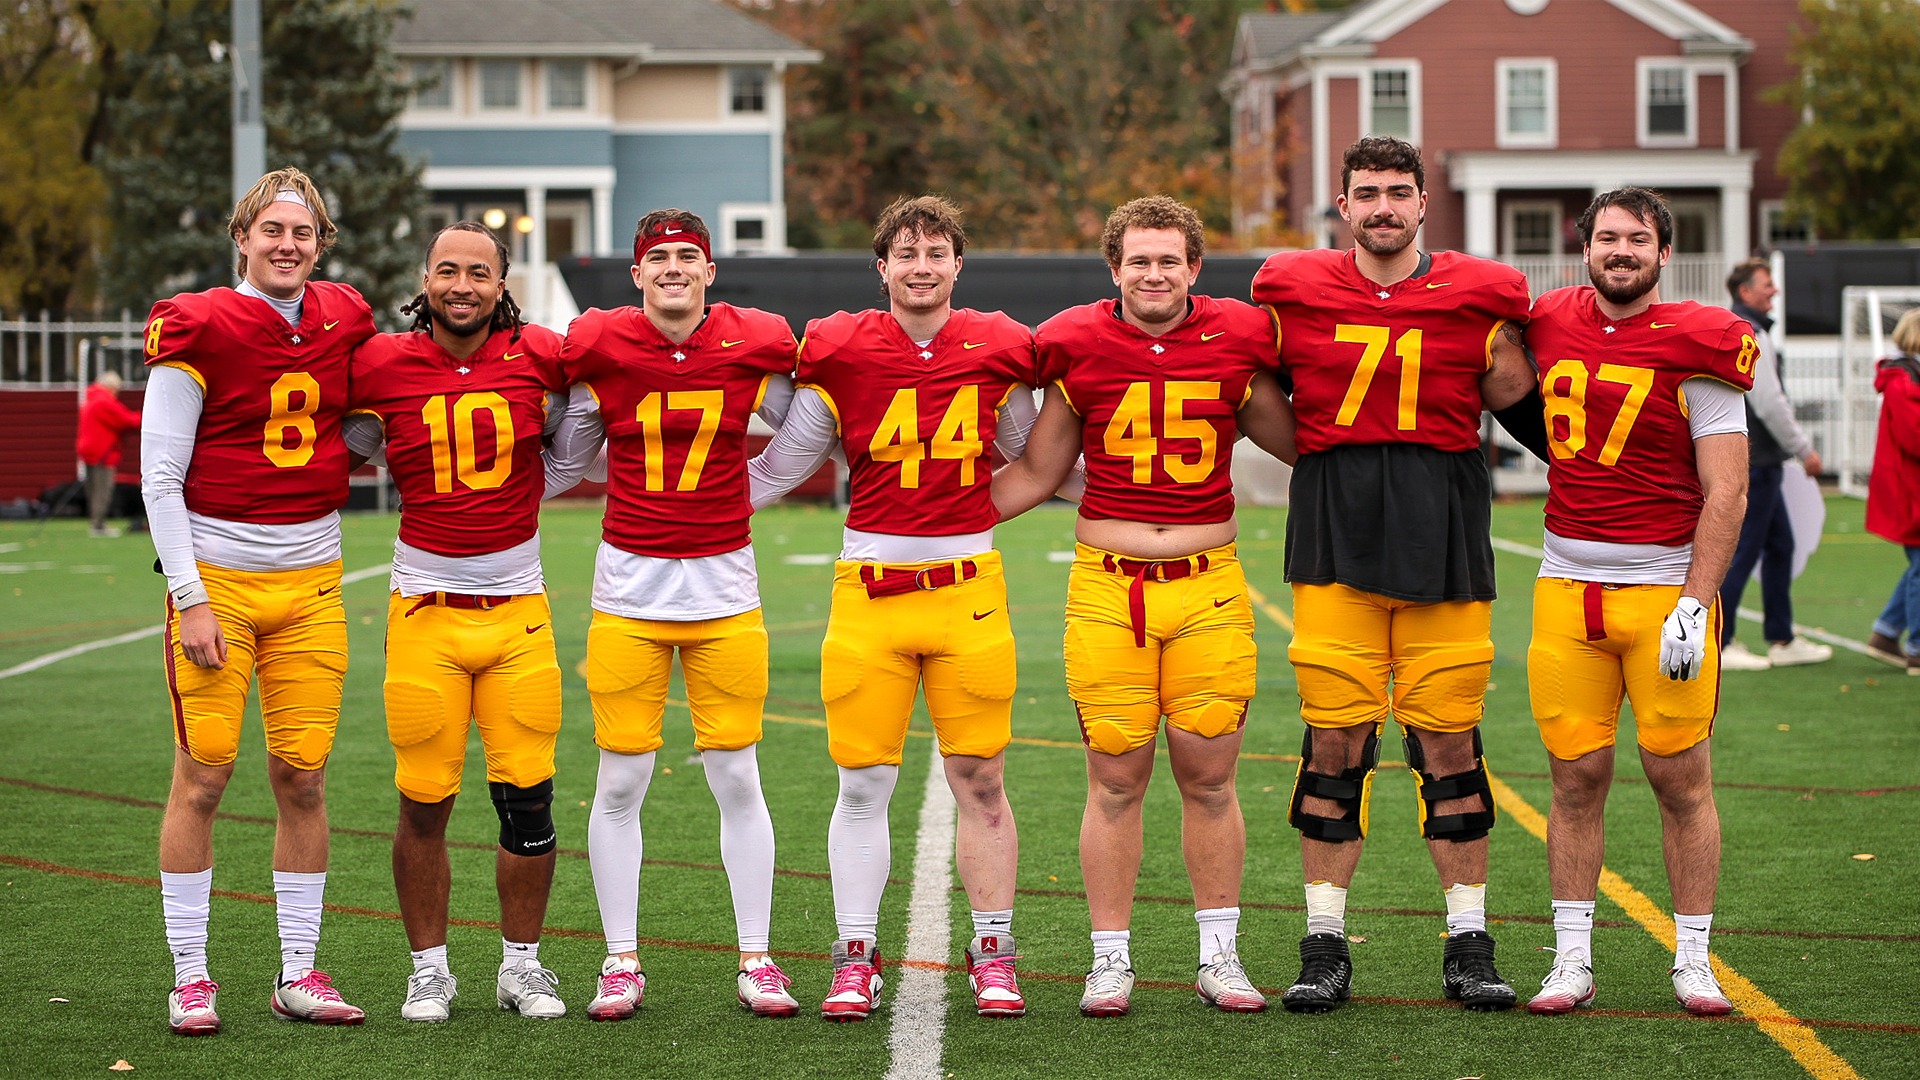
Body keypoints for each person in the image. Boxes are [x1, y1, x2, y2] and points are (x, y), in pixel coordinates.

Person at [1249, 136, 1542, 1014]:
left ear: (1424, 205)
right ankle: (1325, 944)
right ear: (1342, 205)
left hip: (1443, 532)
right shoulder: (1289, 288)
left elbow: (1534, 404)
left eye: (1399, 192)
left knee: (1450, 748)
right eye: (1367, 192)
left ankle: (1469, 944)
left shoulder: (1482, 295)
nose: (1384, 206)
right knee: (1334, 747)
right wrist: (1323, 456)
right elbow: (1245, 384)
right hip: (1336, 534)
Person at [991, 195, 1293, 1017]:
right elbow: (1035, 473)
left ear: (1196, 268)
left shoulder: (1238, 336)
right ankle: (1110, 960)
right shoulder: (1074, 341)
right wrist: (919, 518)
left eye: (1169, 259)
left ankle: (1220, 956)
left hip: (1210, 584)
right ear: (1113, 269)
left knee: (1212, 778)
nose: (1153, 273)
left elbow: (1304, 441)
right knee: (1115, 780)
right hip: (1108, 585)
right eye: (1138, 260)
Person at [747, 195, 1039, 1021]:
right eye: (905, 251)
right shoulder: (839, 349)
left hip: (967, 593)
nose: (921, 265)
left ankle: (992, 951)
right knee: (863, 783)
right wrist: (684, 516)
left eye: (936, 251)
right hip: (869, 593)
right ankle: (853, 954)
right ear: (882, 266)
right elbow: (780, 467)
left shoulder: (997, 346)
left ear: (958, 264)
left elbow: (1036, 457)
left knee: (981, 780)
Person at [546, 210, 802, 1020]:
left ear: (710, 270)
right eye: (658, 257)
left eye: (688, 255)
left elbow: (802, 434)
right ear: (635, 274)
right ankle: (621, 959)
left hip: (726, 591)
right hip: (629, 592)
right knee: (621, 780)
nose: (673, 268)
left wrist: (741, 495)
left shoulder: (754, 341)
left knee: (737, 775)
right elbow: (566, 449)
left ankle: (757, 958)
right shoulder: (599, 343)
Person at [140, 167, 377, 1035]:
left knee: (303, 778)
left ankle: (299, 971)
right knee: (204, 776)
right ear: (242, 238)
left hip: (313, 581)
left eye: (303, 233)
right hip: (222, 581)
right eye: (272, 231)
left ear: (321, 245)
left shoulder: (343, 314)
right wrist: (191, 596)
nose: (288, 245)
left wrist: (368, 444)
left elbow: (350, 419)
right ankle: (192, 974)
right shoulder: (198, 322)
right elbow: (160, 477)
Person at [1522, 188, 1755, 1017]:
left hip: (1662, 591)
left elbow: (1726, 492)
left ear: (1663, 253)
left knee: (1679, 777)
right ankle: (1571, 959)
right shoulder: (1547, 318)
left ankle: (1693, 956)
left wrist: (1697, 602)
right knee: (1575, 777)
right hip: (1565, 589)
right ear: (1584, 248)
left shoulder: (1703, 340)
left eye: (1638, 239)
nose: (1621, 250)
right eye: (1607, 237)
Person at [342, 222, 570, 1022]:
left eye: (479, 272)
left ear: (502, 283)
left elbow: (576, 422)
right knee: (423, 800)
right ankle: (428, 969)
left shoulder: (541, 354)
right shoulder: (381, 361)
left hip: (519, 613)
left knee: (530, 799)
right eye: (448, 271)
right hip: (426, 612)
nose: (463, 285)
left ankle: (522, 965)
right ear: (426, 279)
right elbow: (347, 433)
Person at [1715, 258, 1830, 670]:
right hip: (1756, 459)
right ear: (1746, 292)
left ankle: (1781, 637)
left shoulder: (1737, 326)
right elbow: (1769, 402)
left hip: (1754, 457)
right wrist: (1803, 448)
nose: (1774, 291)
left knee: (1781, 545)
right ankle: (1721, 641)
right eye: (1767, 284)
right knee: (1742, 550)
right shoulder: (1753, 332)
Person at [1865, 309, 1920, 675]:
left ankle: (1887, 631)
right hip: (1909, 489)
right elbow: (1914, 438)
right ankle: (1916, 645)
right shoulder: (1903, 380)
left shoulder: (1905, 377)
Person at [77, 369, 141, 537]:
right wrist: (147, 417)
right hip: (102, 453)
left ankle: (95, 522)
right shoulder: (104, 402)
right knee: (103, 489)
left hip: (89, 451)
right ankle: (98, 525)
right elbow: (127, 420)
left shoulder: (91, 399)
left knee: (93, 489)